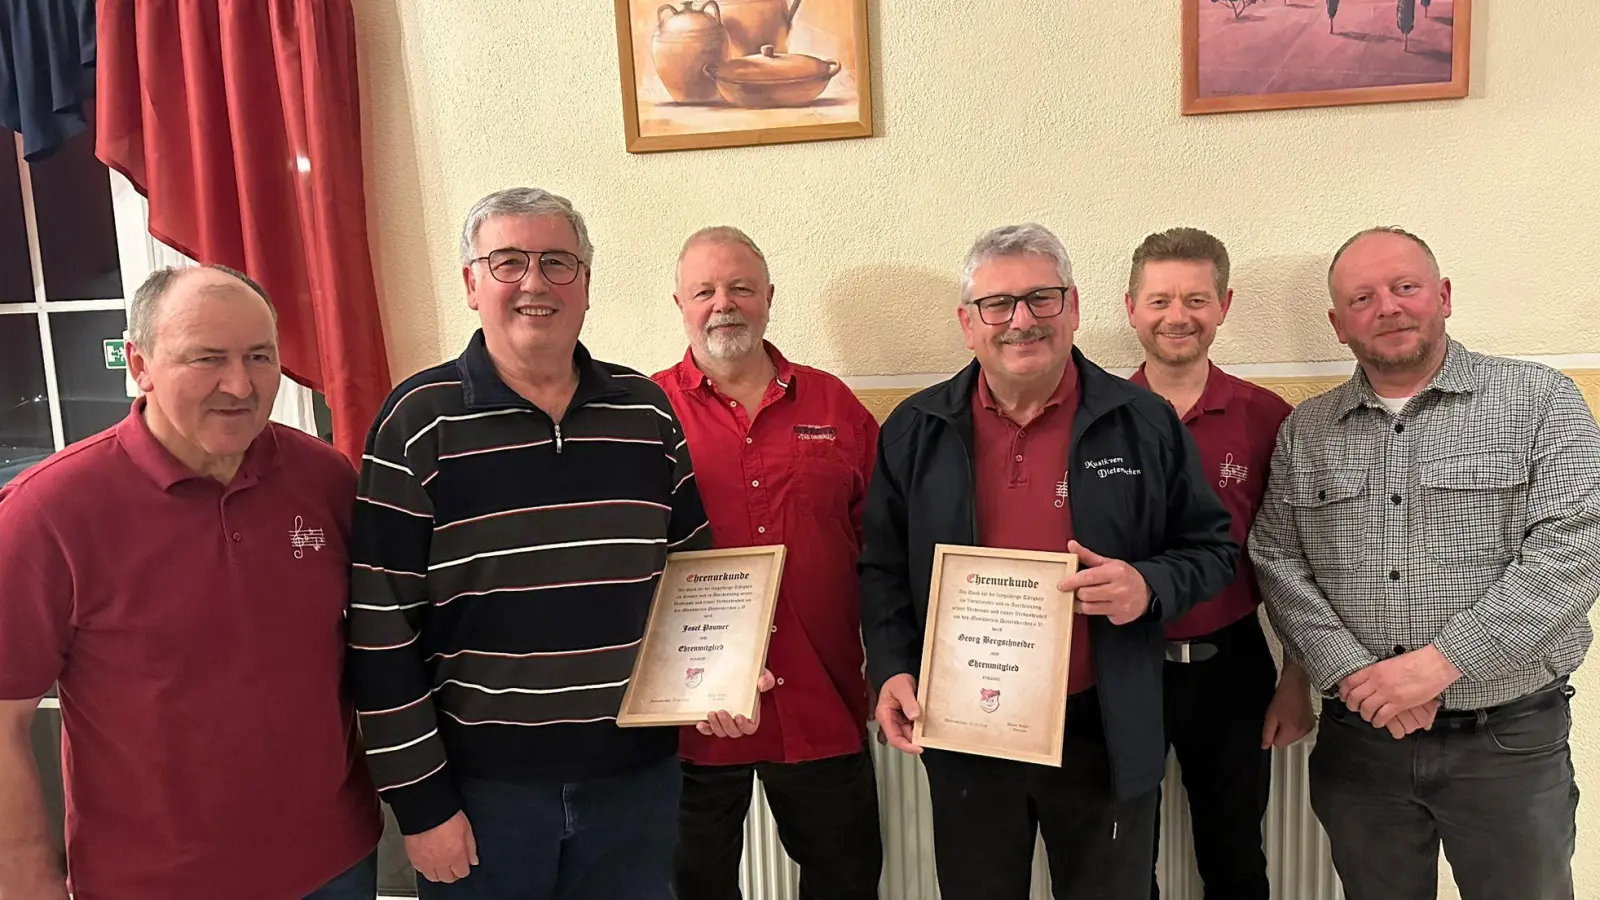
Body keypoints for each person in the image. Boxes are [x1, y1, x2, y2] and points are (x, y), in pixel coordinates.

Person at [345, 188, 770, 900]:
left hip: (636, 784)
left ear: (587, 284)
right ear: (471, 284)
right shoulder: (418, 423)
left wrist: (724, 675)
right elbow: (380, 629)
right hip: (482, 795)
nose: (535, 282)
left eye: (557, 262)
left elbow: (694, 576)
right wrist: (421, 805)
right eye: (508, 262)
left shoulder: (644, 413)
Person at [860, 222, 1239, 899]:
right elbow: (883, 571)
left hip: (1103, 725)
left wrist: (1147, 585)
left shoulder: (1144, 422)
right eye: (997, 304)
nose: (1021, 320)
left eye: (1042, 298)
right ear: (967, 324)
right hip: (968, 727)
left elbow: (1213, 549)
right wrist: (891, 667)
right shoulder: (914, 431)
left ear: (1074, 307)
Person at [0, 265, 383, 900]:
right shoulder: (49, 512)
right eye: (207, 358)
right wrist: (26, 880)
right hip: (154, 882)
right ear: (140, 365)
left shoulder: (325, 478)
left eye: (259, 356)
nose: (240, 384)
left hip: (336, 863)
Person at [1251, 226, 1600, 900]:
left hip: (1506, 744)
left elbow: (1574, 546)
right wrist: (1353, 675)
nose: (1387, 307)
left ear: (1442, 296)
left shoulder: (1539, 400)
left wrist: (1439, 664)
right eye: (1362, 298)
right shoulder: (1306, 431)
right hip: (1361, 746)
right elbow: (1277, 557)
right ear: (1338, 325)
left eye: (1404, 287)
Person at [653, 226, 884, 900]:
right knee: (691, 888)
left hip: (822, 698)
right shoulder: (643, 411)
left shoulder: (834, 405)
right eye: (704, 290)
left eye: (741, 288)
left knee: (846, 881)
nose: (723, 304)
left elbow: (882, 547)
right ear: (680, 303)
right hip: (689, 717)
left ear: (769, 297)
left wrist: (894, 659)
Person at [1121, 227, 1313, 900]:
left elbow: (1296, 558)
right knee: (1122, 858)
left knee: (1234, 856)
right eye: (1160, 300)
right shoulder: (1099, 418)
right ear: (1131, 309)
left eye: (1196, 299)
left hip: (1231, 665)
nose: (1178, 316)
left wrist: (1296, 678)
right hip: (1122, 661)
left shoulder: (1267, 418)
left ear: (1224, 305)